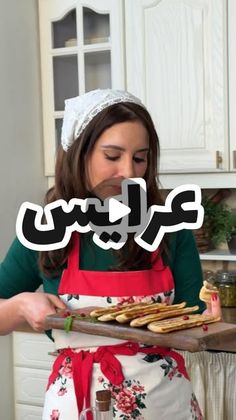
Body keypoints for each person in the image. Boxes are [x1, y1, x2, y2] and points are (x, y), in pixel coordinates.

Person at [0, 89, 206, 420]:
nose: (129, 172)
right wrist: (21, 304)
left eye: (140, 158)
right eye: (112, 156)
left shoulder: (169, 229)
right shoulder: (48, 230)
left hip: (165, 406)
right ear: (78, 154)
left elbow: (197, 322)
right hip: (77, 405)